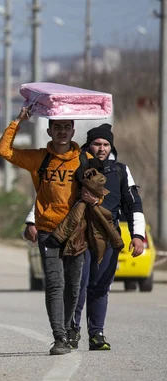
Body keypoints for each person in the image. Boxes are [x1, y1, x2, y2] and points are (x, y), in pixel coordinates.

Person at [25, 124, 146, 351]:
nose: (101, 148)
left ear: (111, 146)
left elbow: (133, 204)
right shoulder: (77, 163)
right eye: (97, 144)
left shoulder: (119, 171)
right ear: (89, 145)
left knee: (100, 286)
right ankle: (72, 330)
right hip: (78, 235)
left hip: (108, 237)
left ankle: (96, 334)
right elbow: (52, 195)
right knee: (77, 285)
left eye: (106, 144)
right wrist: (32, 220)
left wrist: (137, 235)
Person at [0, 107, 98, 355]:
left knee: (73, 286)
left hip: (76, 231)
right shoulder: (40, 158)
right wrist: (19, 120)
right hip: (48, 230)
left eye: (66, 127)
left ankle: (67, 327)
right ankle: (60, 337)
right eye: (57, 127)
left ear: (73, 130)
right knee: (54, 283)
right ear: (49, 131)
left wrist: (94, 199)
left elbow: (101, 194)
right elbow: (4, 150)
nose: (62, 132)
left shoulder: (86, 160)